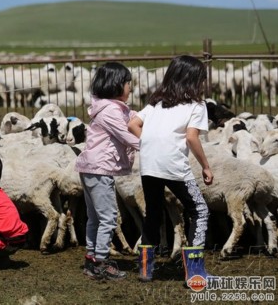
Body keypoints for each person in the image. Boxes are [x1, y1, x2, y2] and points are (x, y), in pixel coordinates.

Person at [128, 55, 213, 283]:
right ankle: (195, 272)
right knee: (200, 210)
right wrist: (206, 166)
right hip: (174, 165)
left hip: (149, 164)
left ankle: (146, 270)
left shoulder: (156, 103)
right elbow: (192, 138)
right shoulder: (196, 105)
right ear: (194, 80)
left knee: (153, 213)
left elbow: (132, 123)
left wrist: (148, 142)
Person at [75, 62, 140, 281]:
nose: (130, 88)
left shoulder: (105, 107)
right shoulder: (111, 110)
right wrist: (149, 144)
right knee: (109, 217)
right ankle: (101, 262)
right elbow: (125, 135)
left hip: (91, 167)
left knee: (95, 217)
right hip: (100, 169)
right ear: (116, 85)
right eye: (127, 83)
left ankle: (92, 258)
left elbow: (129, 118)